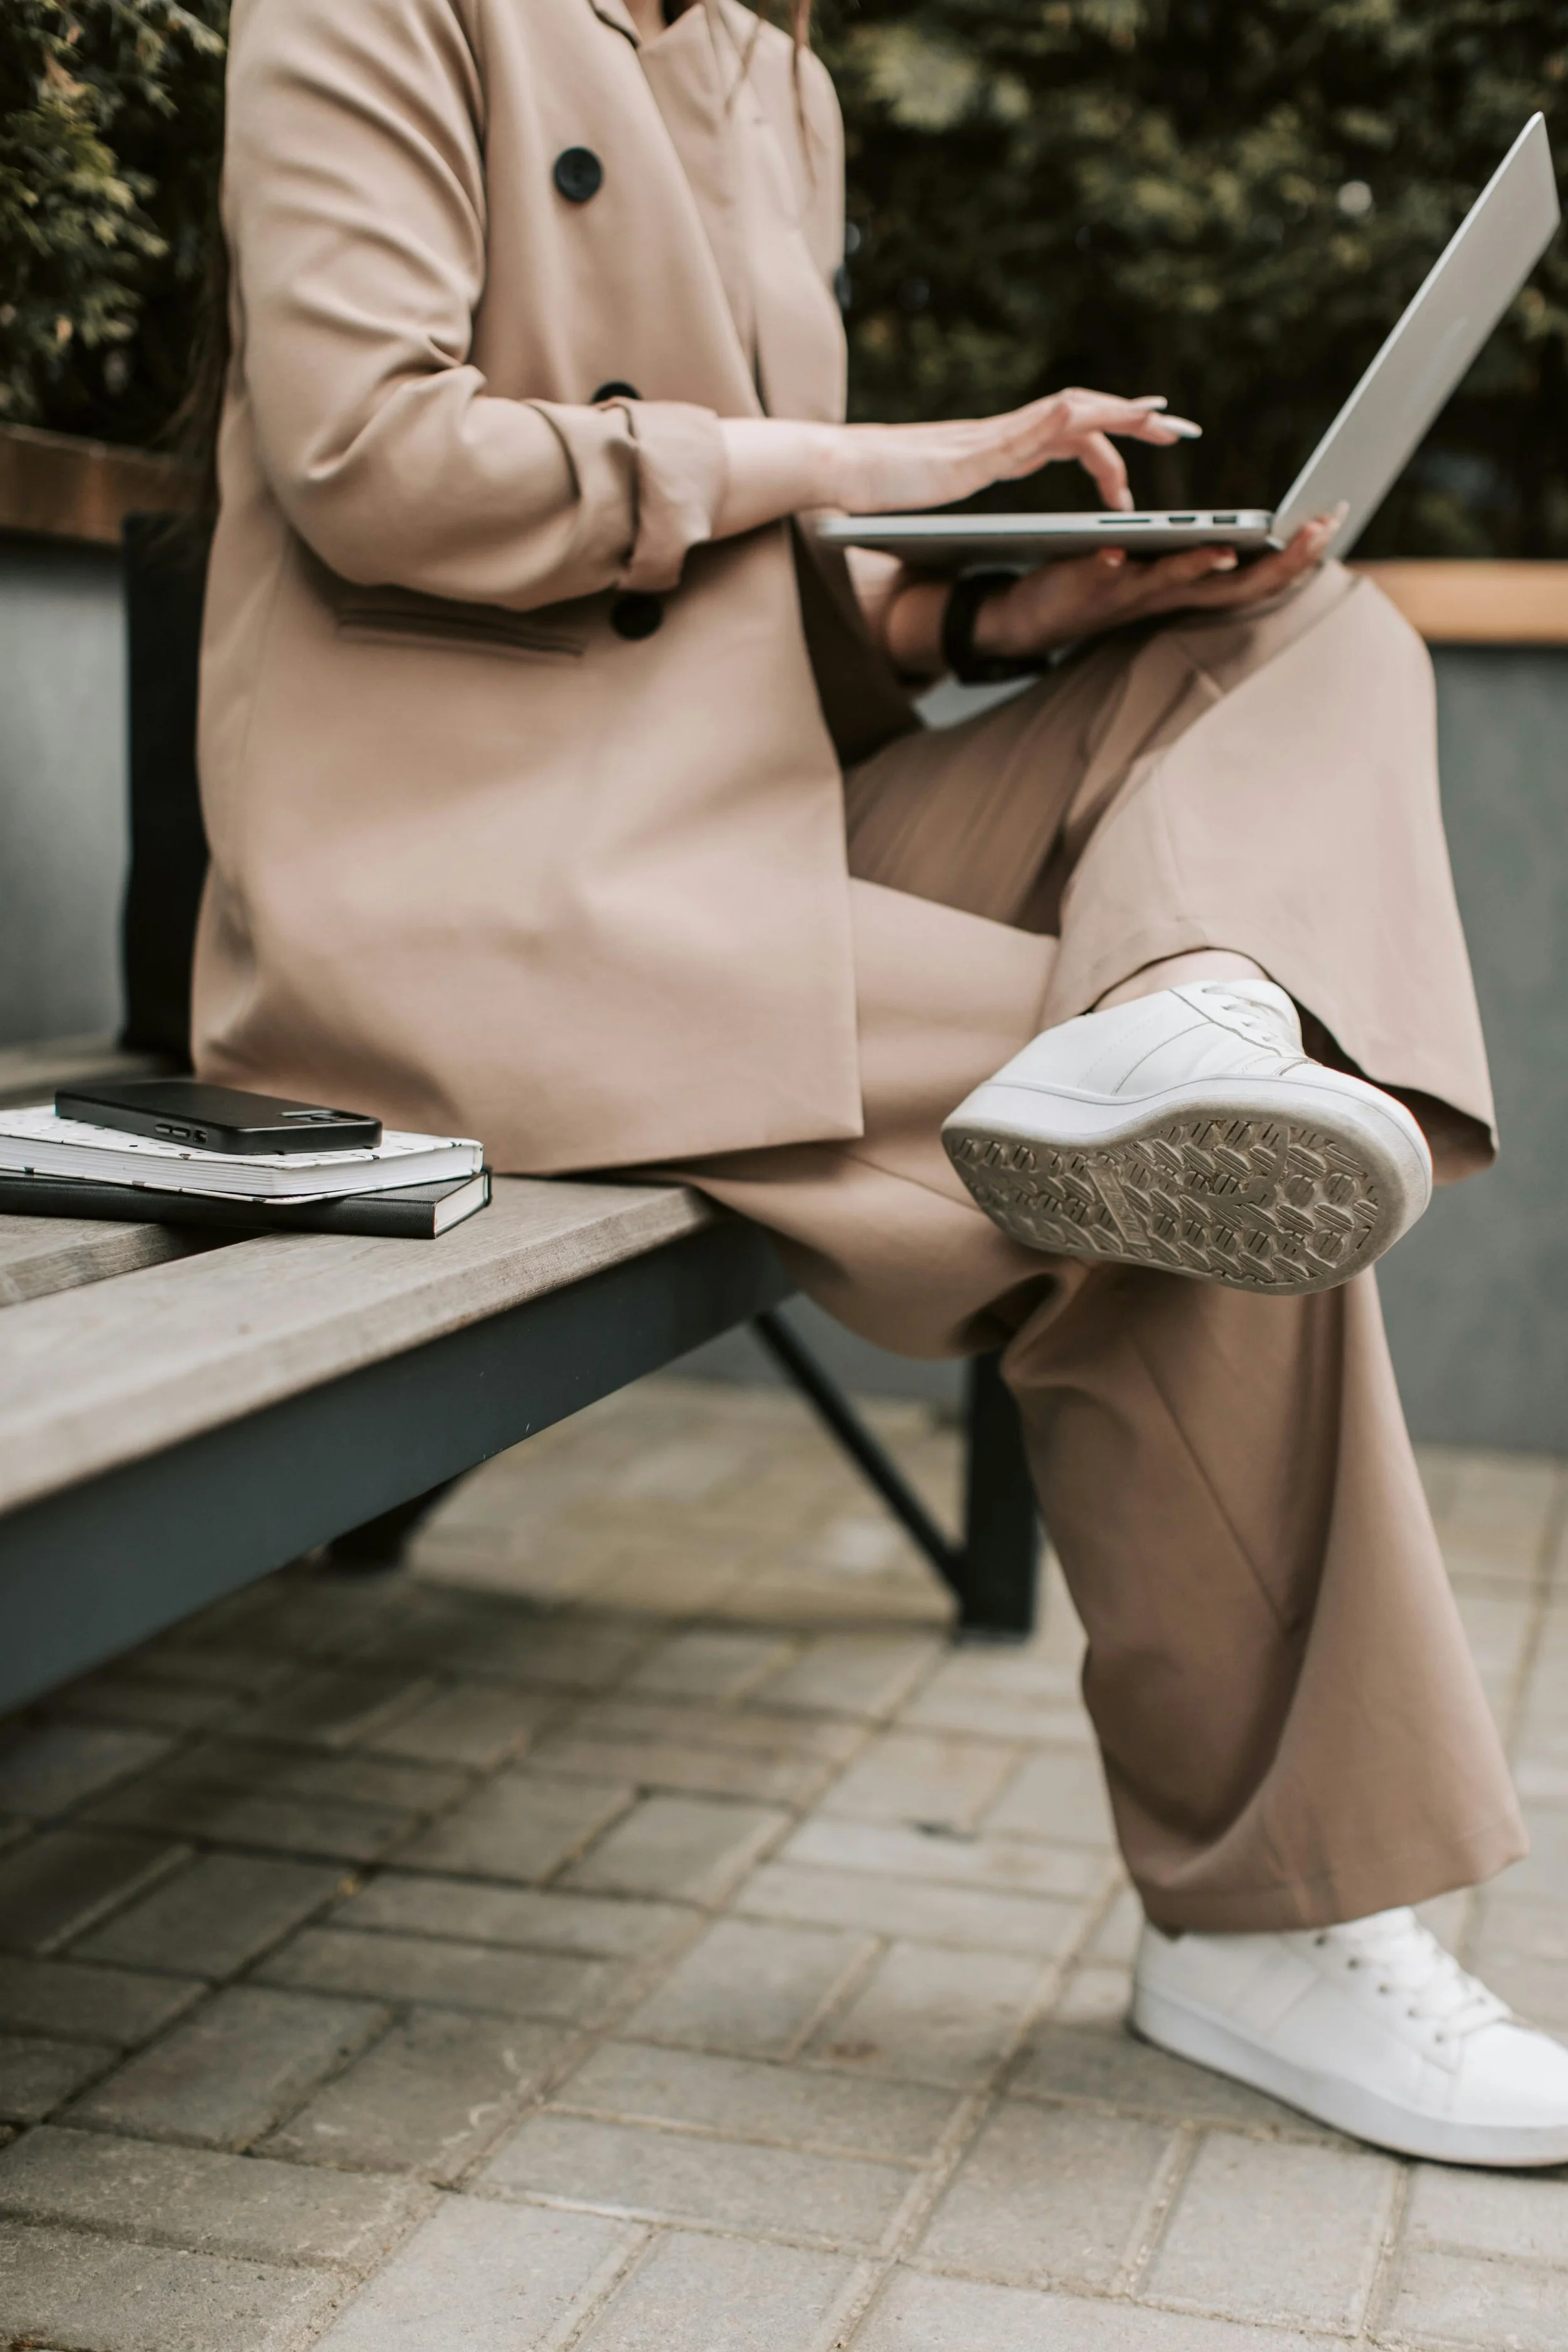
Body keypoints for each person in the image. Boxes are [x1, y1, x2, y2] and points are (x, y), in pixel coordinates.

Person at [195, 0, 1568, 2164]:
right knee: (1174, 1165)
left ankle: (1185, 1005)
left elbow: (762, 618)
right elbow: (370, 461)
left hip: (744, 838)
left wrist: (992, 628)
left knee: (1297, 638)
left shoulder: (773, 75)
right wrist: (873, 462)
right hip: (473, 898)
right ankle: (1269, 1928)